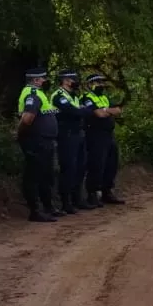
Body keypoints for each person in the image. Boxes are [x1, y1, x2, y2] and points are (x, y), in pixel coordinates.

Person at [15, 67, 61, 222]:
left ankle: (48, 207)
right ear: (35, 80)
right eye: (43, 78)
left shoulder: (40, 94)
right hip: (36, 140)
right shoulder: (32, 94)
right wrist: (19, 133)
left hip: (45, 141)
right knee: (34, 175)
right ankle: (35, 211)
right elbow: (27, 118)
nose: (45, 81)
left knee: (46, 175)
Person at [51, 70, 93, 214]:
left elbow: (88, 111)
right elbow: (74, 112)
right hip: (66, 136)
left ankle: (77, 199)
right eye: (72, 79)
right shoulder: (58, 96)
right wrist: (80, 110)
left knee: (81, 168)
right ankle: (65, 202)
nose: (75, 81)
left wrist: (81, 110)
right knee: (69, 168)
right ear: (65, 80)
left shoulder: (74, 96)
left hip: (79, 135)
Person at [80, 74, 125, 207]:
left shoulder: (104, 98)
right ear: (89, 84)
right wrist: (107, 111)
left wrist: (106, 111)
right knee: (96, 164)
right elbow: (99, 114)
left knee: (112, 163)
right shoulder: (86, 97)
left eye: (101, 81)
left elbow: (117, 110)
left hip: (108, 135)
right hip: (95, 135)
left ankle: (107, 191)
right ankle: (92, 194)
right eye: (97, 82)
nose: (100, 84)